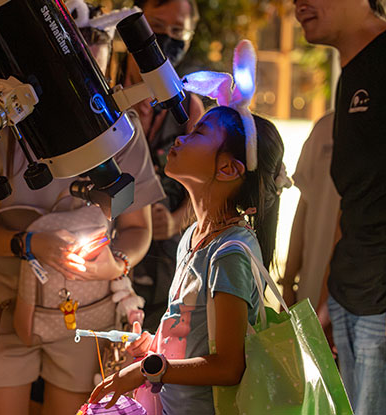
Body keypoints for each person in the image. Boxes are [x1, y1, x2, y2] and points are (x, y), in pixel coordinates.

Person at [0, 14, 165, 413]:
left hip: (85, 312)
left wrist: (115, 264)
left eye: (93, 78)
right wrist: (28, 244)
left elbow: (137, 228)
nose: (84, 92)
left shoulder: (122, 132)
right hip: (3, 304)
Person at [88, 98, 288, 412]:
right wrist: (154, 344)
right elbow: (193, 332)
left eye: (199, 133)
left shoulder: (229, 253)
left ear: (227, 168)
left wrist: (147, 369)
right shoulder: (193, 238)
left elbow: (228, 366)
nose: (181, 137)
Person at [293, 0, 386, 413]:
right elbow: (353, 200)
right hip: (348, 300)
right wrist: (332, 293)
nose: (298, 7)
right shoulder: (349, 74)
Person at [120, 0, 205, 333]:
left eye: (177, 31)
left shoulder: (187, 105)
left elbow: (207, 186)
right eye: (155, 26)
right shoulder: (101, 91)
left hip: (165, 264)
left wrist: (174, 220)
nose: (165, 40)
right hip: (106, 248)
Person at [280, 112, 339, 307]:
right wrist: (288, 283)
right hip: (311, 289)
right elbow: (303, 207)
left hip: (363, 301)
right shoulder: (326, 128)